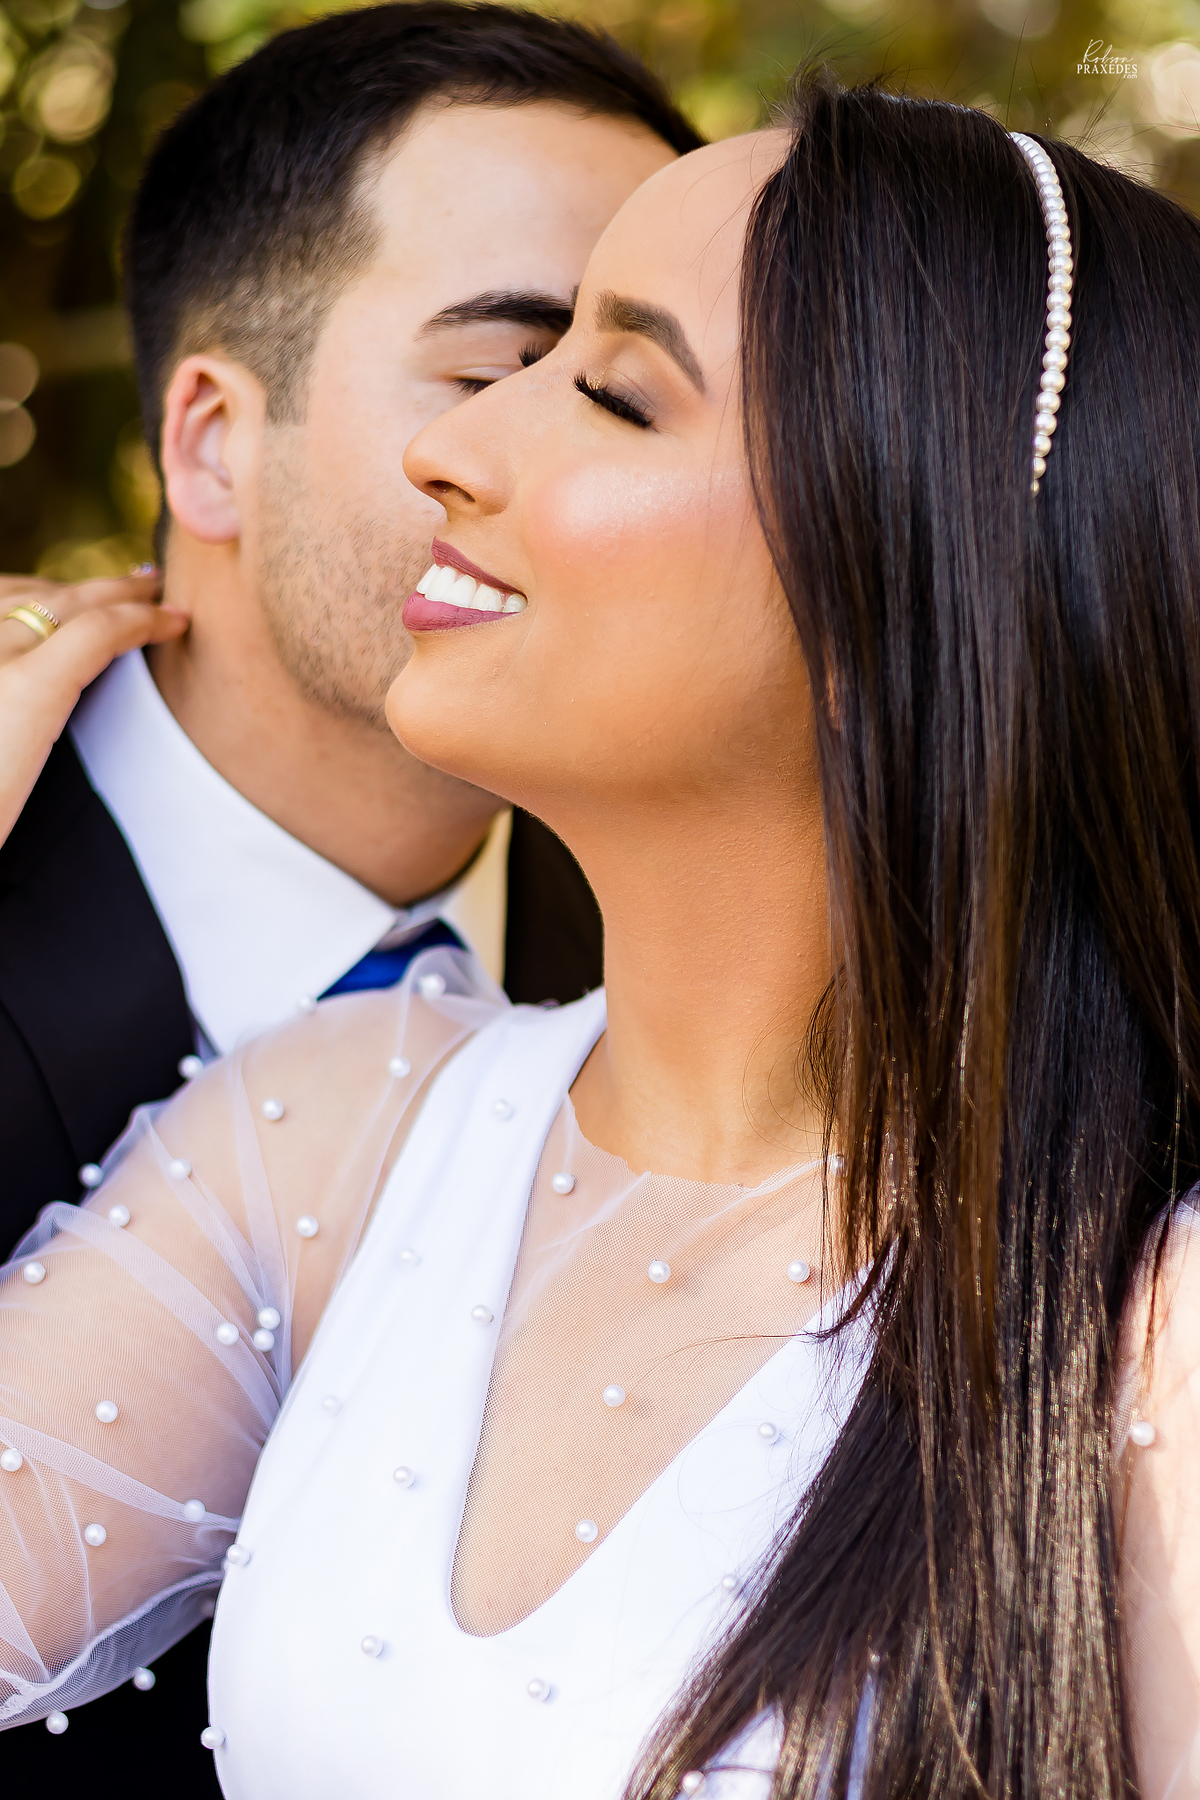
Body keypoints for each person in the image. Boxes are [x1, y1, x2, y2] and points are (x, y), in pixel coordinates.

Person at [2, 70, 1200, 1799]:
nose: (452, 451)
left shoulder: (1145, 1345)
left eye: (612, 393)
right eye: (509, 359)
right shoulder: (335, 1128)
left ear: (911, 581)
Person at [0, 4, 700, 1788]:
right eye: (502, 364)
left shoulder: (715, 973)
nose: (557, 462)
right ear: (212, 443)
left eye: (628, 397)